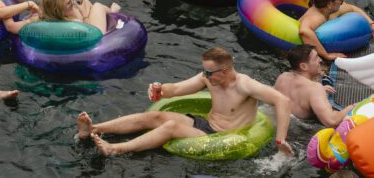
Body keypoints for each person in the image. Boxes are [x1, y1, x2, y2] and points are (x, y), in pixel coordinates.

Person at [76, 46, 292, 156]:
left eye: (209, 73)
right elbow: (178, 88)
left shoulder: (245, 85)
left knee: (169, 127)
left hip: (221, 135)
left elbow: (282, 101)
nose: (205, 77)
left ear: (224, 71)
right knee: (155, 115)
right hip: (205, 123)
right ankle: (94, 128)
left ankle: (116, 149)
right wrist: (161, 90)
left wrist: (280, 139)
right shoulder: (209, 78)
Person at [274, 44, 353, 126]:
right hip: (300, 131)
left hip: (279, 121)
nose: (320, 60)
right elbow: (331, 121)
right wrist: (353, 106)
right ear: (304, 66)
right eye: (316, 58)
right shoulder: (315, 88)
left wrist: (319, 92)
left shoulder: (282, 77)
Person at [298, 0, 374, 61]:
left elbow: (352, 8)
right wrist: (326, 55)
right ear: (330, 4)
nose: (342, 2)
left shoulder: (330, 10)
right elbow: (304, 31)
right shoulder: (318, 17)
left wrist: (371, 23)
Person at [3, 0, 120, 35]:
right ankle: (113, 13)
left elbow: (10, 27)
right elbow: (91, 32)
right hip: (97, 34)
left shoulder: (37, 20)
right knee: (97, 6)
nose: (73, 3)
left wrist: (2, 7)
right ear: (58, 9)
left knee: (82, 1)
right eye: (69, 3)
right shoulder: (75, 24)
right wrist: (85, 15)